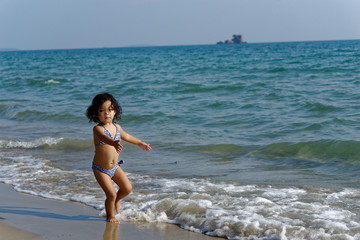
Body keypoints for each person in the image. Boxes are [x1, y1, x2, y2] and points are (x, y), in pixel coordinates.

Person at [86, 93, 151, 223]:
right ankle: (110, 215)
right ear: (95, 113)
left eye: (110, 109)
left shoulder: (117, 127)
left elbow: (127, 136)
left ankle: (116, 200)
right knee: (110, 194)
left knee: (127, 189)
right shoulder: (98, 129)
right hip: (100, 169)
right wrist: (113, 142)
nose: (107, 113)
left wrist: (139, 142)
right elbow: (104, 138)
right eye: (102, 110)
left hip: (115, 167)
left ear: (115, 111)